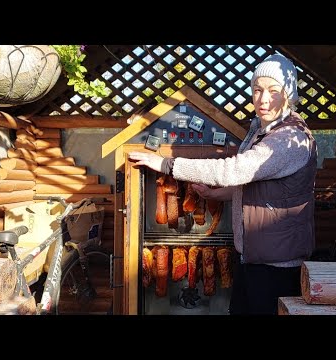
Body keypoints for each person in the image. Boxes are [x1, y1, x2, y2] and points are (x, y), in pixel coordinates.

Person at [129, 53, 318, 315]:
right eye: (257, 90)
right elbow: (258, 185)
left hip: (276, 266)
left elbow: (235, 169)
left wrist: (166, 164)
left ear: (289, 94)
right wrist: (219, 194)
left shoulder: (289, 139)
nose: (263, 99)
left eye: (273, 91)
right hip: (253, 259)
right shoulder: (264, 131)